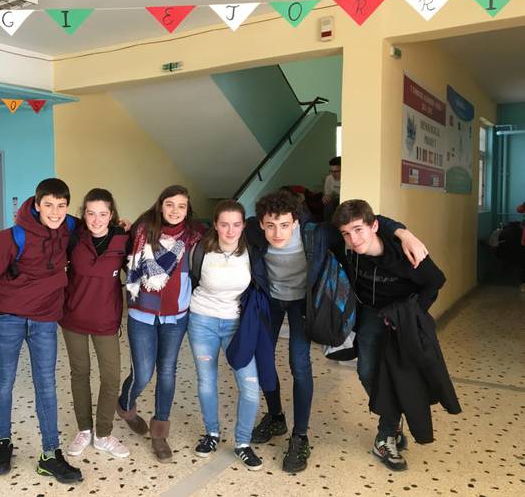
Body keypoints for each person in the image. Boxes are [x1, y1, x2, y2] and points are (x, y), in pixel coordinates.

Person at [246, 190, 428, 474]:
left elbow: (364, 221)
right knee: (263, 361)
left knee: (299, 365)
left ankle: (300, 436)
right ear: (260, 224)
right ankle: (276, 416)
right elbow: (224, 227)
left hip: (303, 305)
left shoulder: (316, 234)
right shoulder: (253, 231)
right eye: (270, 225)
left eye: (284, 224)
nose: (277, 233)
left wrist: (404, 233)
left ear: (296, 221)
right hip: (271, 301)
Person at [0, 178, 82, 484]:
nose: (55, 212)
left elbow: (95, 224)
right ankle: (3, 442)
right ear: (36, 205)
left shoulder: (69, 228)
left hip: (45, 319)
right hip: (8, 317)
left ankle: (50, 455)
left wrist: (120, 224)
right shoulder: (10, 237)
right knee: (4, 380)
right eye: (48, 205)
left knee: (46, 384)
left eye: (61, 205)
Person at [332, 199, 449, 471]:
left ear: (374, 227)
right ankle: (393, 421)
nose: (353, 239)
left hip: (402, 317)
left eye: (358, 230)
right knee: (366, 372)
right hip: (371, 315)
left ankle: (385, 435)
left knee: (399, 377)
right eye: (346, 233)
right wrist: (402, 229)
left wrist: (413, 312)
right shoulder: (352, 249)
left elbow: (436, 280)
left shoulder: (405, 251)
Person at [117, 185, 203, 463]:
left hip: (176, 315)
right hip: (142, 312)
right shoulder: (142, 229)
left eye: (181, 206)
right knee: (142, 373)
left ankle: (159, 433)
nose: (175, 211)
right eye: (170, 204)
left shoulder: (195, 235)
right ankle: (125, 406)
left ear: (188, 209)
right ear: (160, 205)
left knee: (167, 371)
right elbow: (123, 256)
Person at [187, 200, 262, 470]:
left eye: (236, 224)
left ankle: (243, 442)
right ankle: (212, 433)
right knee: (207, 381)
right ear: (216, 225)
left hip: (237, 325)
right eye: (224, 224)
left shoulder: (251, 251)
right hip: (202, 321)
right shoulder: (200, 250)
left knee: (250, 386)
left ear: (244, 225)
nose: (230, 231)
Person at [62, 189, 130, 459]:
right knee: (80, 374)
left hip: (106, 320)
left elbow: (139, 268)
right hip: (73, 318)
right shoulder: (73, 238)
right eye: (91, 213)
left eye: (103, 214)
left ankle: (103, 434)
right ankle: (84, 430)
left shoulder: (123, 239)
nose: (97, 220)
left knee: (111, 377)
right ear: (84, 214)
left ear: (111, 215)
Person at [322, 156, 341, 221]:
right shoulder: (329, 178)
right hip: (332, 203)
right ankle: (328, 224)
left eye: (337, 171)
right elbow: (327, 194)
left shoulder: (348, 179)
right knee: (328, 202)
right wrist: (325, 197)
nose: (333, 174)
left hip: (343, 202)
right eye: (331, 171)